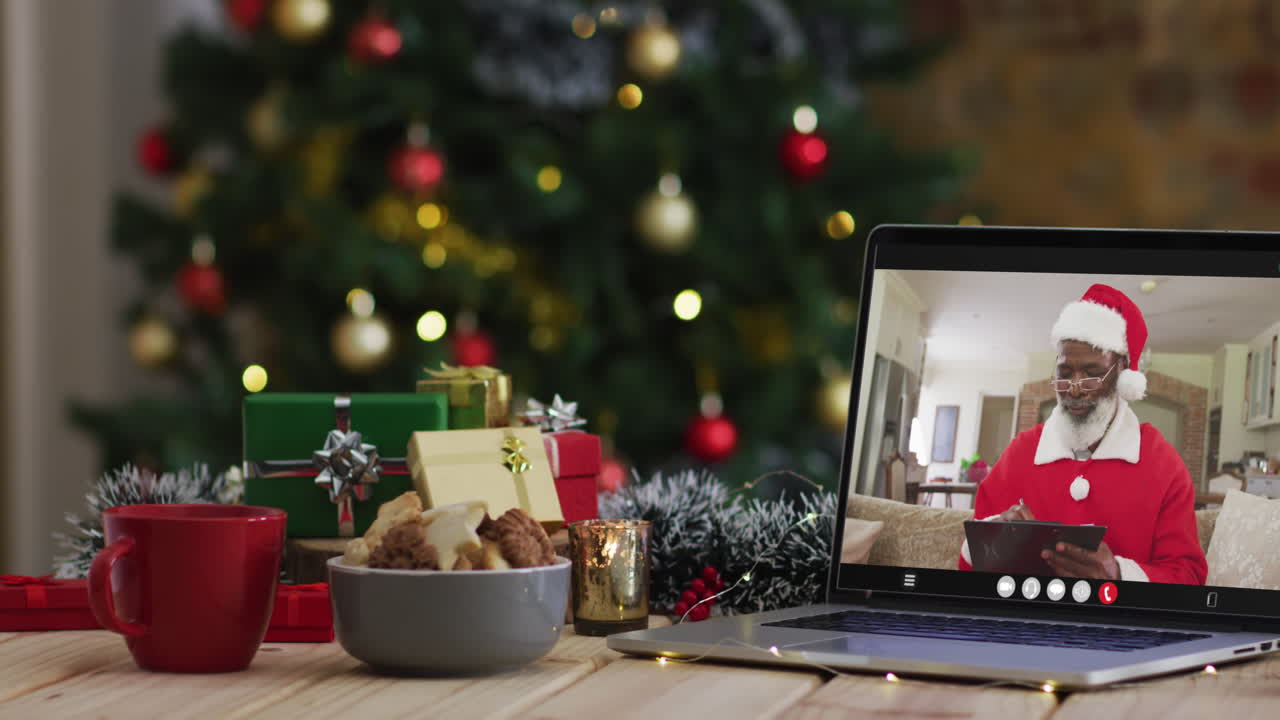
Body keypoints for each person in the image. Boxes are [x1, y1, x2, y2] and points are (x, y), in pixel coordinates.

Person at [958, 284, 1207, 585]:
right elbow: (969, 569)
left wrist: (1117, 573)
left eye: (1091, 373)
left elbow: (1189, 577)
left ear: (1122, 373)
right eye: (1065, 374)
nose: (1074, 388)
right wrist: (993, 539)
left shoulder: (1162, 463)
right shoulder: (1021, 452)